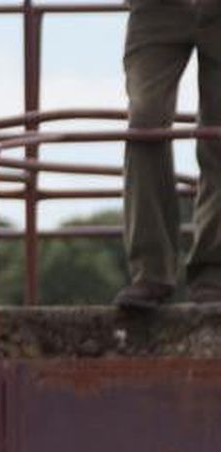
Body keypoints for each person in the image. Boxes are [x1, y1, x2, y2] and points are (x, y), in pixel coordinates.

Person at [117, 0, 221, 309]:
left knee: (219, 136)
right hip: (156, 6)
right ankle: (151, 272)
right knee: (144, 124)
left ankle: (213, 271)